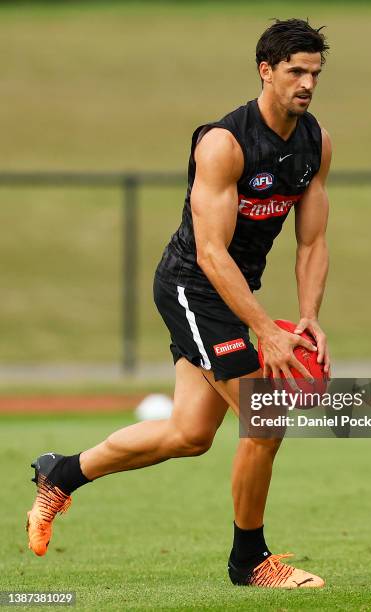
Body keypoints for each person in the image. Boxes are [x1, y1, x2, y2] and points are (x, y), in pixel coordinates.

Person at [26, 18, 332, 589]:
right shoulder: (224, 143)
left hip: (234, 291)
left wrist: (309, 316)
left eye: (315, 72)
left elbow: (312, 241)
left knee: (190, 435)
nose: (307, 83)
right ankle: (251, 562)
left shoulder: (316, 142)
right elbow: (213, 254)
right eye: (295, 71)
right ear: (265, 70)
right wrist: (264, 328)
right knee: (266, 421)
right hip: (194, 285)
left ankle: (61, 475)